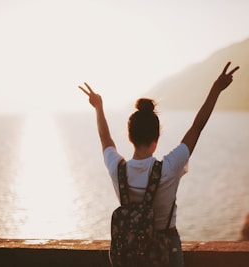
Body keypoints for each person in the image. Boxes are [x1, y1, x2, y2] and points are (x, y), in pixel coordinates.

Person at [79, 61, 239, 266]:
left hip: (130, 253)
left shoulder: (117, 169)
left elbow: (105, 139)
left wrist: (98, 107)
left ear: (130, 137)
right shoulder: (169, 168)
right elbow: (197, 127)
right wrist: (216, 90)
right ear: (157, 138)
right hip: (166, 249)